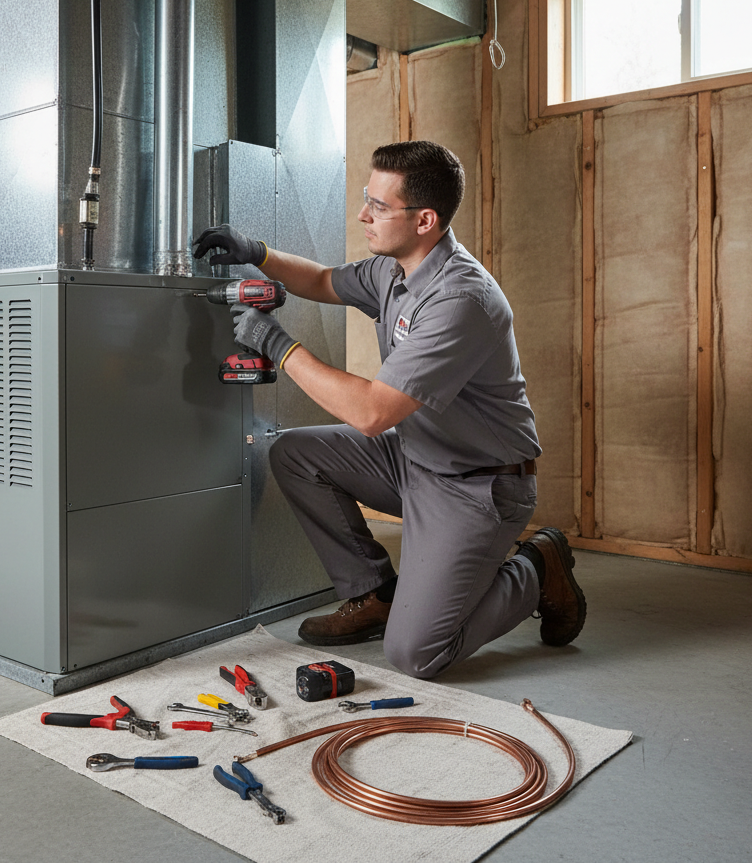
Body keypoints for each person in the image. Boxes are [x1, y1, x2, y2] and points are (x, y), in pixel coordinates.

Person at [192, 140, 585, 680]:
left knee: (416, 654)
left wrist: (278, 345)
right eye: (364, 198)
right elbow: (323, 280)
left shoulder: (460, 300)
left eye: (378, 205)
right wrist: (255, 251)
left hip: (477, 488)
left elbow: (374, 413)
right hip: (416, 460)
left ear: (425, 219)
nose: (363, 214)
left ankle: (538, 567)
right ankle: (374, 593)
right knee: (296, 452)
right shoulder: (395, 270)